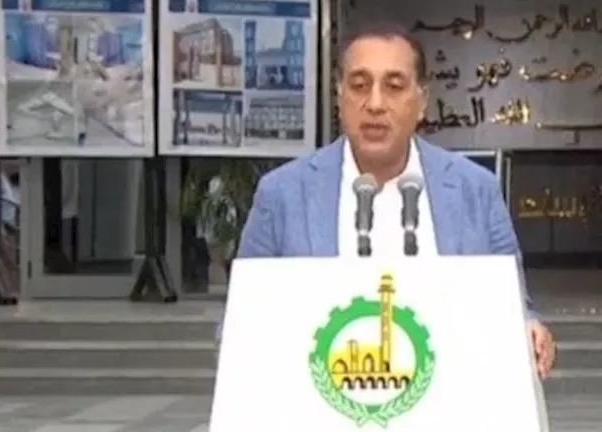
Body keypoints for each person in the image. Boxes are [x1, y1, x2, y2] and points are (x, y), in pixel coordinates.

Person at [234, 23, 556, 378]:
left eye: (394, 86)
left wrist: (529, 328)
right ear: (339, 97)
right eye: (359, 85)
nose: (375, 104)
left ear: (422, 101)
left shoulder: (475, 190)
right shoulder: (282, 194)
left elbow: (512, 302)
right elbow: (240, 321)